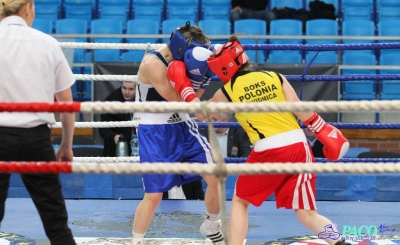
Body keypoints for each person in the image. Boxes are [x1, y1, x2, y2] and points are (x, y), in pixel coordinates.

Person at [178, 35, 350, 245]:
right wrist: (323, 129)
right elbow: (301, 109)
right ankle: (340, 243)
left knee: (240, 202)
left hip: (270, 150)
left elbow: (203, 113)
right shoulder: (275, 76)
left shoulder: (230, 89)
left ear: (223, 67)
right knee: (307, 213)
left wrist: (185, 86)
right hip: (300, 147)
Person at [130, 21, 224, 245]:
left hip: (182, 127)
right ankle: (137, 240)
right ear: (182, 49)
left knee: (216, 178)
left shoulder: (182, 61)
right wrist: (204, 77)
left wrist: (207, 73)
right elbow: (178, 99)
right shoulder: (152, 63)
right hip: (155, 133)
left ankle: (211, 225)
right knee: (154, 196)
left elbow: (192, 100)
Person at [0, 0, 76, 245]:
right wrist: (66, 145)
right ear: (28, 8)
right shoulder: (48, 43)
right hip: (36, 139)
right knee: (55, 220)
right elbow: (66, 102)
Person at [99, 81, 136, 157]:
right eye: (124, 88)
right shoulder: (111, 101)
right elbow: (102, 129)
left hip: (138, 149)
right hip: (115, 152)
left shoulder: (143, 99)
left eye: (131, 89)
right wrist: (114, 136)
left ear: (137, 89)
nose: (127, 92)